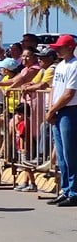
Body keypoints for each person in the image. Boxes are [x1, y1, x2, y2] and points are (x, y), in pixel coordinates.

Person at [44, 34, 77, 207]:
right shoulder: (59, 66)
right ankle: (66, 190)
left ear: (70, 47)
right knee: (62, 155)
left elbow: (69, 93)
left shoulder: (75, 66)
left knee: (71, 154)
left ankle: (74, 191)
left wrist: (54, 108)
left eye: (60, 47)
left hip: (70, 110)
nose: (57, 49)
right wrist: (50, 109)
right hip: (58, 110)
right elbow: (54, 88)